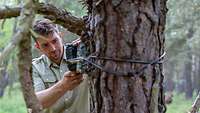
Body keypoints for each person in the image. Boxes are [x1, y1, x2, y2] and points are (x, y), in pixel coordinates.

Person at [31, 19, 89, 113]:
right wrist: (63, 85)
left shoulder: (81, 54)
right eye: (45, 45)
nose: (53, 48)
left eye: (54, 41)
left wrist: (89, 44)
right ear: (38, 47)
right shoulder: (35, 68)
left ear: (61, 36)